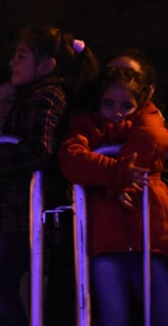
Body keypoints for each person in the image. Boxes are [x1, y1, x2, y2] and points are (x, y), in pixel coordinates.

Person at [0, 25, 99, 326]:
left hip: (22, 211)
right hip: (12, 210)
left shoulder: (45, 96)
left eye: (21, 56)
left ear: (46, 65)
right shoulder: (37, 94)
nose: (12, 63)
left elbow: (38, 149)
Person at [58, 66, 168, 326]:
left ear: (139, 104)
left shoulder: (149, 120)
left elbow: (151, 137)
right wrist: (118, 177)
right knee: (113, 316)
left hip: (152, 238)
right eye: (109, 103)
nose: (117, 112)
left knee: (161, 312)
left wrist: (121, 181)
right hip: (107, 240)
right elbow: (70, 158)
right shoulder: (87, 126)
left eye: (126, 105)